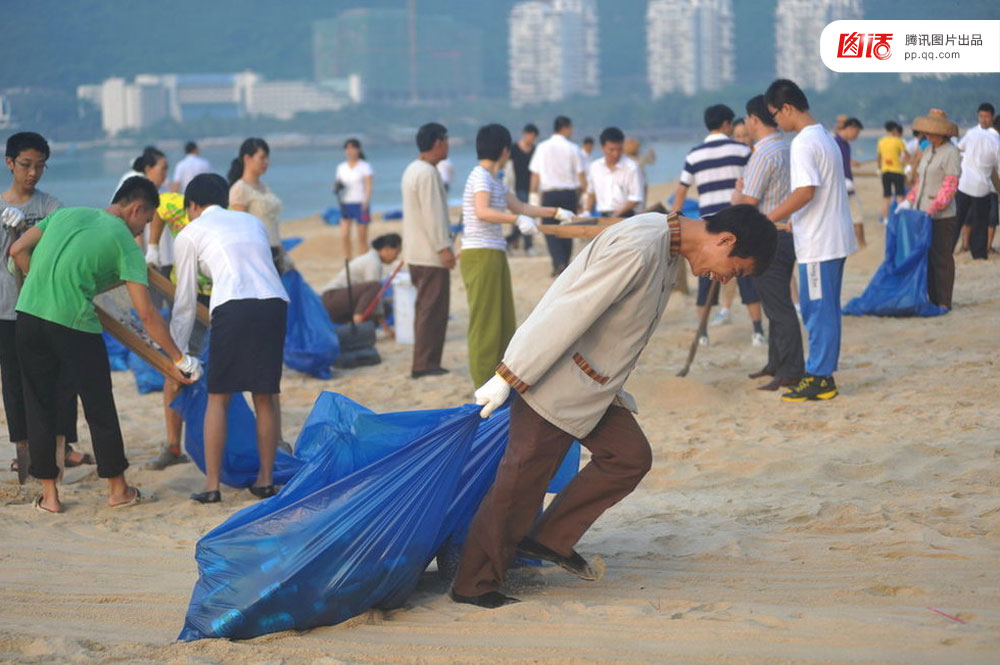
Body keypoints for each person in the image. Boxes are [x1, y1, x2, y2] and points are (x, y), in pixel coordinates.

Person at [450, 205, 776, 608]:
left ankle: (547, 540)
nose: (725, 279)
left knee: (628, 456)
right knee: (520, 482)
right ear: (725, 240)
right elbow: (567, 310)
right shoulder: (641, 247)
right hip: (553, 378)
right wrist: (509, 375)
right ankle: (473, 584)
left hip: (592, 386)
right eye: (735, 269)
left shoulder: (665, 245)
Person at [11, 176, 197, 513]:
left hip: (27, 315)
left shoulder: (66, 214)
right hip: (74, 324)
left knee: (39, 406)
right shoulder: (123, 241)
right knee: (98, 405)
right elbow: (147, 314)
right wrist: (178, 358)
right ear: (136, 208)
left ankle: (50, 497)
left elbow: (17, 250)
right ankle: (117, 490)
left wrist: (41, 285)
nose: (141, 232)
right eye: (145, 222)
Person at [172, 174, 289, 504]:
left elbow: (184, 301)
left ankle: (212, 486)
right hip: (274, 303)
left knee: (218, 396)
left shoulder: (190, 232)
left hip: (233, 306)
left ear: (192, 206)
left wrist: (179, 353)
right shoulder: (251, 222)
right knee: (265, 395)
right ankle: (265, 480)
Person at [460, 124, 573, 387]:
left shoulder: (494, 179)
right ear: (504, 150)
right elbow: (482, 211)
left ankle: (500, 380)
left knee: (503, 320)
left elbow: (521, 205)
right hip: (479, 253)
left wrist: (555, 212)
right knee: (486, 323)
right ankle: (482, 383)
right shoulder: (479, 177)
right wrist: (516, 219)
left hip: (495, 252)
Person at [765, 78, 856, 402]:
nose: (776, 122)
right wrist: (793, 220)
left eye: (775, 115)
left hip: (820, 244)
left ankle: (820, 377)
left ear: (787, 108)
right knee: (825, 309)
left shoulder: (804, 143)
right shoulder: (824, 136)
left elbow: (806, 191)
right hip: (830, 235)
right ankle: (821, 372)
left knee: (819, 311)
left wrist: (770, 217)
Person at [1, 132, 84, 480]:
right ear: (9, 163)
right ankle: (23, 449)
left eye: (39, 166)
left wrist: (26, 235)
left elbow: (57, 254)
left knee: (59, 377)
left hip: (46, 307)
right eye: (25, 165)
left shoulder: (51, 207)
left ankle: (59, 446)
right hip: (7, 308)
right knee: (15, 381)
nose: (32, 173)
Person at [673, 103, 765, 347]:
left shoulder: (694, 154)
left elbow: (681, 191)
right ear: (726, 124)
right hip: (739, 224)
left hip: (708, 227)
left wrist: (674, 221)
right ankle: (757, 331)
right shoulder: (741, 150)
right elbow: (754, 184)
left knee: (706, 279)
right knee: (746, 276)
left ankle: (702, 334)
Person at [734, 95, 804, 391]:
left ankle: (789, 370)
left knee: (778, 306)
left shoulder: (763, 154)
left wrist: (738, 195)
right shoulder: (786, 148)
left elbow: (749, 203)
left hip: (770, 233)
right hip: (786, 232)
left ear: (753, 119)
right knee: (776, 302)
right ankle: (776, 362)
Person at [400, 122, 454, 379]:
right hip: (430, 254)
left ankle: (426, 361)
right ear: (437, 143)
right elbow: (434, 216)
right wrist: (444, 247)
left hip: (416, 252)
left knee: (425, 309)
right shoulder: (428, 173)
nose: (448, 145)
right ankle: (424, 364)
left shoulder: (413, 169)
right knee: (432, 311)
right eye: (445, 140)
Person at [903, 109, 966, 309]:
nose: (927, 135)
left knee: (942, 257)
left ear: (942, 133)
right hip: (922, 213)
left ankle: (944, 301)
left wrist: (934, 207)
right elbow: (920, 182)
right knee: (927, 258)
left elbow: (950, 185)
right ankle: (931, 298)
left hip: (942, 216)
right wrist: (909, 201)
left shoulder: (951, 152)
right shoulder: (928, 150)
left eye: (931, 132)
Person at [529, 115, 585, 276]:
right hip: (569, 193)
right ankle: (564, 263)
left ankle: (558, 262)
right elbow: (581, 176)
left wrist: (533, 195)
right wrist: (581, 196)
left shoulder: (542, 147)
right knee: (567, 230)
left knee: (550, 230)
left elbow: (535, 175)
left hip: (549, 194)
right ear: (566, 128)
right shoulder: (573, 148)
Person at [321, 233, 402, 335]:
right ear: (386, 249)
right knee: (376, 287)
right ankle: (358, 321)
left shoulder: (372, 258)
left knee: (386, 308)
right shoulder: (373, 262)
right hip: (331, 298)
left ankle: (356, 324)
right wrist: (386, 328)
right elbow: (375, 295)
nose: (396, 258)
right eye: (396, 253)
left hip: (343, 301)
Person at [228, 138, 287, 273]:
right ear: (247, 158)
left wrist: (282, 252)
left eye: (267, 158)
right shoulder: (239, 189)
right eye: (262, 158)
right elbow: (240, 229)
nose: (266, 162)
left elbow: (272, 223)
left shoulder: (265, 188)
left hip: (275, 251)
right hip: (257, 254)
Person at [955, 102, 999, 259]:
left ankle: (977, 253)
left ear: (992, 117)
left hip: (978, 185)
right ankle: (975, 251)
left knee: (972, 220)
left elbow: (958, 150)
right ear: (977, 116)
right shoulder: (972, 133)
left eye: (987, 116)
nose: (984, 119)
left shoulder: (994, 139)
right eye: (981, 116)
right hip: (969, 183)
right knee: (967, 220)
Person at [585, 127, 643, 219]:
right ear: (602, 148)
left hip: (627, 216)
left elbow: (636, 198)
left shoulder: (632, 168)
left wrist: (616, 214)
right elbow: (591, 192)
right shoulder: (595, 167)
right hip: (602, 216)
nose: (615, 154)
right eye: (611, 150)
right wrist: (587, 212)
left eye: (619, 149)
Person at [334, 138, 374, 259]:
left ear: (358, 149)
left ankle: (363, 260)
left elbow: (368, 184)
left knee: (362, 237)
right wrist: (336, 187)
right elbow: (338, 182)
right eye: (348, 148)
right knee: (344, 234)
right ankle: (348, 260)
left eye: (353, 148)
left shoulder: (365, 166)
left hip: (360, 203)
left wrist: (366, 200)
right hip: (345, 203)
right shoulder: (341, 167)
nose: (350, 151)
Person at [505, 123, 540, 254]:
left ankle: (527, 245)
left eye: (534, 137)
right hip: (516, 188)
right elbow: (506, 169)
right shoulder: (513, 149)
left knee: (528, 217)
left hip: (530, 188)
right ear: (526, 134)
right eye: (531, 136)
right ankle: (513, 242)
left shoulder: (535, 150)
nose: (532, 139)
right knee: (521, 218)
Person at [834, 117, 866, 248]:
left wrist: (851, 162)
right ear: (851, 128)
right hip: (842, 186)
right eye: (856, 133)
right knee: (855, 215)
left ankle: (859, 244)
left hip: (847, 185)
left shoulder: (845, 143)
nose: (856, 136)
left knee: (851, 216)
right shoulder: (835, 142)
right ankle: (862, 244)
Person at [877, 121, 907, 224]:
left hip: (885, 171)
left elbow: (879, 157)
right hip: (897, 171)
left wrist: (879, 168)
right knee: (899, 195)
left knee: (886, 196)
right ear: (894, 130)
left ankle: (885, 219)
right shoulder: (898, 141)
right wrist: (905, 165)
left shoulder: (881, 141)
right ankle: (902, 217)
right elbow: (905, 155)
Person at [624, 137, 656, 212]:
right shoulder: (625, 157)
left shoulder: (641, 156)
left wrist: (651, 152)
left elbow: (651, 160)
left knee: (641, 202)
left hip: (641, 182)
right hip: (628, 183)